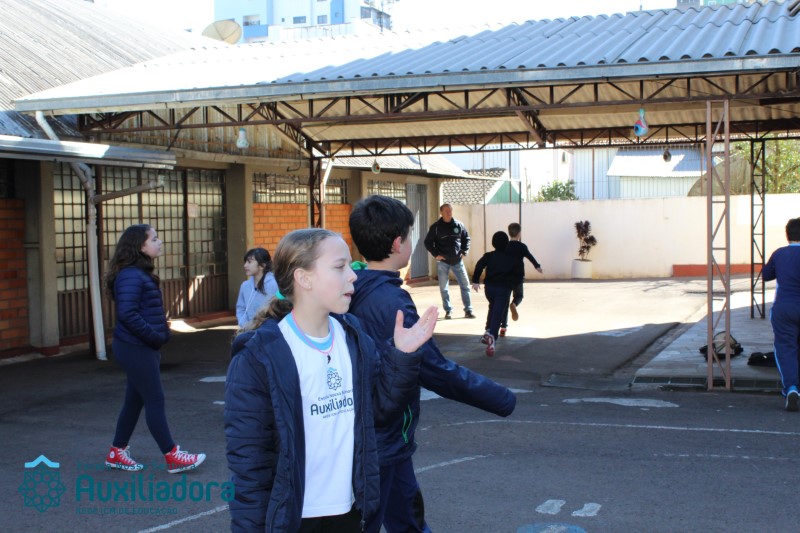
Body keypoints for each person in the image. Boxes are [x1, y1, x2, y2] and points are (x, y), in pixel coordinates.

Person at [224, 228, 437, 532]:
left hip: (350, 511)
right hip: (295, 517)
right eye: (340, 267)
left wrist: (401, 357)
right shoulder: (259, 356)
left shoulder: (354, 338)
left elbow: (378, 411)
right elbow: (249, 463)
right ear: (304, 278)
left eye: (350, 265)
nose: (353, 275)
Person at [348, 195, 517, 533]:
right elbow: (433, 368)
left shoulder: (352, 288)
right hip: (383, 437)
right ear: (398, 244)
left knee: (407, 519)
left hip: (378, 435)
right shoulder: (392, 301)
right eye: (409, 236)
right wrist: (500, 397)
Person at [104, 224, 205, 473]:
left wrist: (157, 335)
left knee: (134, 401)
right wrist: (154, 336)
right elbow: (127, 314)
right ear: (141, 246)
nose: (160, 242)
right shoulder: (131, 275)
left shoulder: (136, 273)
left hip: (138, 346)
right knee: (154, 399)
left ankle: (117, 451)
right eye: (154, 239)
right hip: (135, 346)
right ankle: (172, 456)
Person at [762, 217, 800, 412]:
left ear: (787, 235)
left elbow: (766, 275)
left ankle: (791, 388)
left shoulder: (779, 254)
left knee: (786, 349)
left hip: (784, 308)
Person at [471, 231, 520, 357]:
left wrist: (475, 280)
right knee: (498, 312)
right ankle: (492, 337)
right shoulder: (511, 258)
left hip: (490, 289)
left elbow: (479, 265)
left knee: (492, 307)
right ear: (507, 243)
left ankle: (488, 330)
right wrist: (516, 289)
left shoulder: (489, 255)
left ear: (493, 243)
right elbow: (517, 274)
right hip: (503, 289)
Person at [424, 203, 476, 320]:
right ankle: (448, 311)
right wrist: (436, 254)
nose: (449, 213)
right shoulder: (435, 227)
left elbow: (466, 239)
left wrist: (464, 251)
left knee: (465, 285)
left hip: (458, 261)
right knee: (444, 288)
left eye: (450, 211)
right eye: (446, 211)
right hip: (443, 263)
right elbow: (427, 242)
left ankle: (468, 310)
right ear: (441, 213)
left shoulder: (459, 225)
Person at [497, 222, 543, 337]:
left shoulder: (505, 246)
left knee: (504, 302)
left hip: (505, 278)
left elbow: (499, 259)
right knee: (519, 296)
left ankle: (503, 328)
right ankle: (514, 304)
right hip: (517, 277)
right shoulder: (522, 247)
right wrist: (537, 266)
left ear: (509, 233)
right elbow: (530, 257)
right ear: (519, 234)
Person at [235, 247, 278, 328]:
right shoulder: (245, 286)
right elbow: (241, 308)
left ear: (262, 266)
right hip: (248, 330)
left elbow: (280, 310)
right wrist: (245, 325)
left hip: (269, 330)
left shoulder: (275, 284)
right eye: (245, 262)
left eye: (249, 262)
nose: (245, 265)